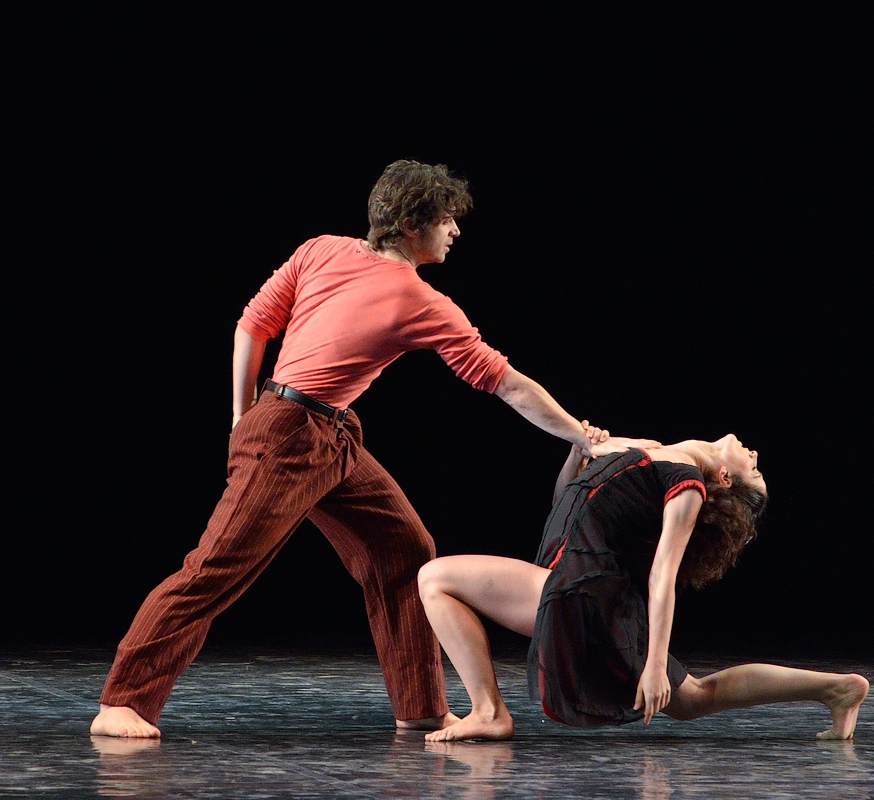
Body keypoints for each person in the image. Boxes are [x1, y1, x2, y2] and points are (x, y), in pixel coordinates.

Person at [91, 160, 618, 738]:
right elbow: (507, 383)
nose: (456, 231)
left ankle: (420, 706)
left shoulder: (322, 249)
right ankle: (123, 702)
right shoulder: (418, 299)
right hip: (292, 434)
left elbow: (251, 326)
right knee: (216, 566)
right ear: (415, 224)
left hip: (328, 431)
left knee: (404, 548)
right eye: (447, 219)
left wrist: (244, 415)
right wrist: (578, 433)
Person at [418, 434, 870, 742]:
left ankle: (490, 713)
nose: (756, 457)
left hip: (583, 591)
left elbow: (662, 576)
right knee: (692, 698)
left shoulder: (687, 484)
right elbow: (564, 506)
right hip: (575, 582)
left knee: (436, 577)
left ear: (725, 480)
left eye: (756, 471)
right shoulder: (651, 450)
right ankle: (835, 689)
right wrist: (575, 457)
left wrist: (655, 664)